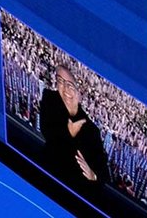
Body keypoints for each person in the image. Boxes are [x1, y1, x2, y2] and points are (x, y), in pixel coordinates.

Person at [38, 65, 109, 199]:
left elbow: (104, 174)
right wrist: (68, 133)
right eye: (60, 81)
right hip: (46, 178)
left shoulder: (92, 131)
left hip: (73, 193)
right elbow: (47, 131)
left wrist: (93, 175)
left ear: (78, 92)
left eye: (70, 85)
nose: (65, 89)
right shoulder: (50, 99)